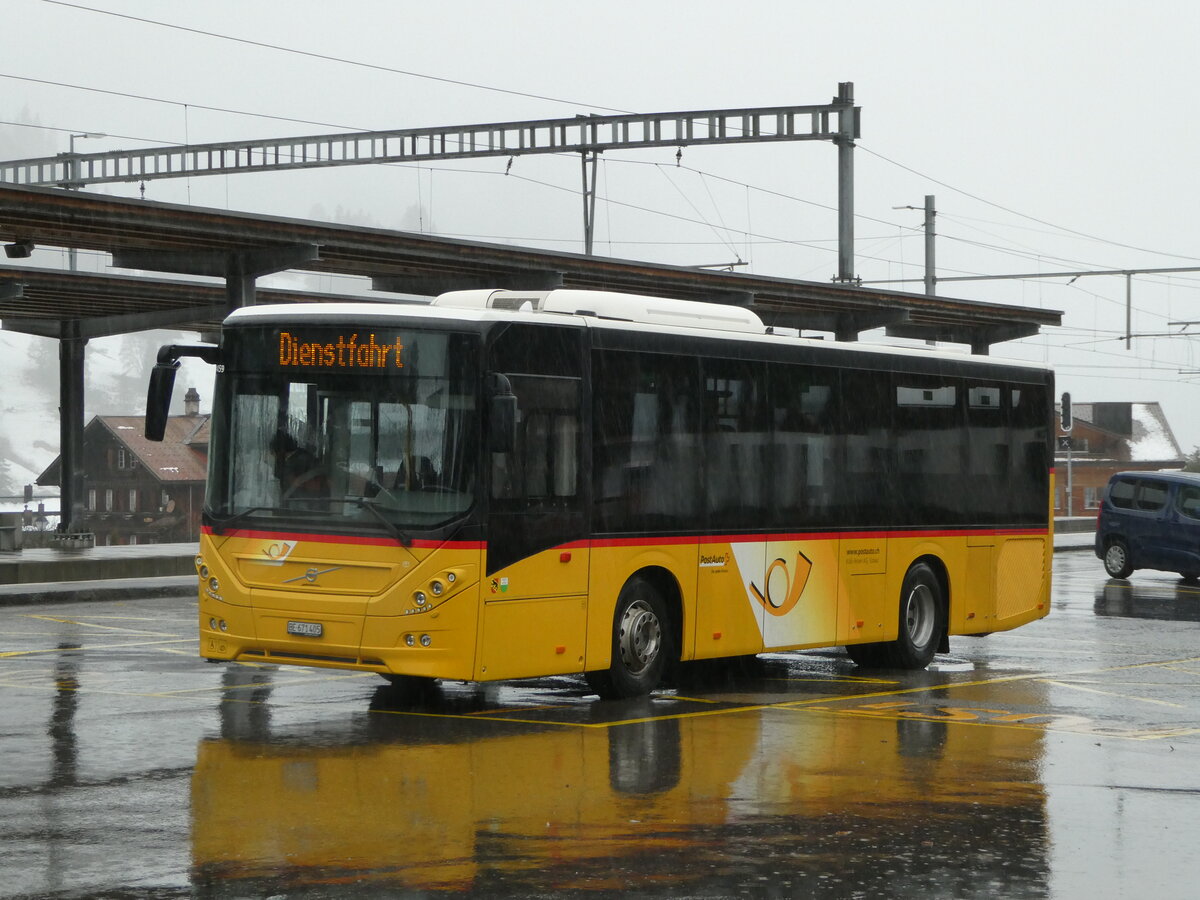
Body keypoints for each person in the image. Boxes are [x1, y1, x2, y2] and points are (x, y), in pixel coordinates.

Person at [270, 431, 328, 501]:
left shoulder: (302, 461)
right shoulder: (292, 459)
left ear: (280, 450)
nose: (273, 456)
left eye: (273, 453)